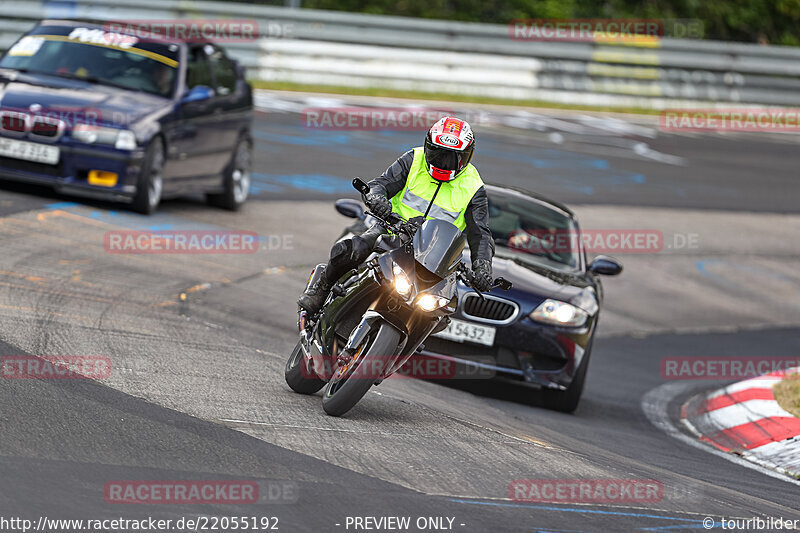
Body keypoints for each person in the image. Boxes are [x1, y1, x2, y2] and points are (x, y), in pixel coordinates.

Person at [298, 116, 495, 315]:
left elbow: (480, 234)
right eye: (438, 154)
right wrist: (377, 199)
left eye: (452, 157)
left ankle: (414, 340)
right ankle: (321, 288)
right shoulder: (414, 159)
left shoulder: (473, 186)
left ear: (467, 156)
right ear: (428, 146)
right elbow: (381, 184)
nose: (444, 162)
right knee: (353, 248)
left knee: (443, 309)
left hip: (435, 254)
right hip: (393, 230)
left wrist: (483, 267)